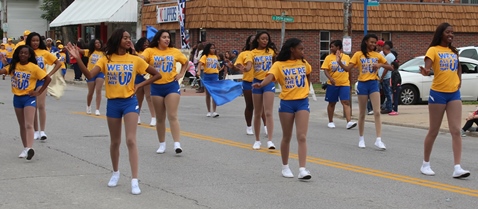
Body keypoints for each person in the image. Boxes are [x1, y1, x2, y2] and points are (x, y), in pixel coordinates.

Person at [66, 28, 161, 195]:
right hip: (113, 104)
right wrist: (78, 58)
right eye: (124, 37)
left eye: (128, 38)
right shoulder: (106, 59)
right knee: (115, 142)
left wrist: (139, 85)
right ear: (117, 39)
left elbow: (156, 74)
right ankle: (116, 172)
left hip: (130, 102)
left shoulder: (135, 60)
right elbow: (89, 75)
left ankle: (134, 180)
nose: (127, 40)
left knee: (131, 140)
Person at [252, 38, 312, 180]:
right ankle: (285, 166)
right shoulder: (279, 65)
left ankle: (302, 169)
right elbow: (270, 77)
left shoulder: (303, 63)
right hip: (287, 104)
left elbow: (308, 73)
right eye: (300, 49)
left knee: (302, 136)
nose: (303, 52)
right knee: (287, 136)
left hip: (302, 102)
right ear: (292, 49)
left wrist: (307, 88)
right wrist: (261, 84)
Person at [418, 22, 470, 178]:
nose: (451, 35)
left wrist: (458, 81)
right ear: (441, 33)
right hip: (438, 94)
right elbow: (427, 68)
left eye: (452, 33)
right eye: (448, 32)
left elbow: (458, 68)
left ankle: (457, 167)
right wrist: (426, 72)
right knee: (434, 131)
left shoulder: (453, 51)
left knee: (456, 130)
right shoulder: (433, 50)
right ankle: (425, 164)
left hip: (453, 94)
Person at [337, 34, 392, 150]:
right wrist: (339, 62)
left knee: (377, 112)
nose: (373, 44)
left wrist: (380, 64)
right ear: (366, 42)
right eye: (371, 42)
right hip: (362, 84)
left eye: (375, 43)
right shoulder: (358, 54)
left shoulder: (377, 55)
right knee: (362, 113)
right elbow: (348, 69)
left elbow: (391, 67)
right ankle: (361, 138)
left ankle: (378, 139)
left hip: (373, 83)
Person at [141, 30, 189, 154]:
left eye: (168, 37)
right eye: (164, 37)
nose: (167, 39)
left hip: (171, 85)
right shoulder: (150, 51)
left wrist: (181, 74)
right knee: (160, 118)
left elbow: (185, 62)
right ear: (158, 39)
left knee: (172, 115)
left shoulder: (174, 51)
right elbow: (141, 60)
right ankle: (162, 144)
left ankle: (177, 143)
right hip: (156, 87)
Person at [0, 45, 51, 160]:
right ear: (17, 54)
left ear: (29, 55)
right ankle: (25, 148)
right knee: (22, 125)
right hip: (17, 98)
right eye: (21, 53)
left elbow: (47, 78)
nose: (23, 55)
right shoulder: (13, 66)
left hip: (29, 98)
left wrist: (39, 92)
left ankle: (29, 148)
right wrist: (2, 63)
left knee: (29, 124)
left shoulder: (34, 67)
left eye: (25, 53)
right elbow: (2, 71)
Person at [25, 32, 63, 141]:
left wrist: (49, 75)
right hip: (30, 82)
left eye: (37, 40)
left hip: (42, 81)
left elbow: (58, 63)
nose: (35, 43)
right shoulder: (26, 52)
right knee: (34, 106)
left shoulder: (44, 53)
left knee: (41, 105)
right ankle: (36, 131)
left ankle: (42, 131)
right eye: (33, 40)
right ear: (29, 41)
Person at [234, 35, 267, 135]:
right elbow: (237, 66)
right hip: (248, 82)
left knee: (262, 106)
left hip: (261, 81)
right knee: (250, 105)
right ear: (249, 42)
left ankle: (266, 126)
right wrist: (237, 67)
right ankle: (249, 126)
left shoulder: (265, 52)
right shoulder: (244, 54)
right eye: (252, 41)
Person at [249, 31, 276, 150]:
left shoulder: (271, 52)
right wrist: (244, 68)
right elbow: (249, 66)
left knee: (269, 112)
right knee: (258, 112)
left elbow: (276, 65)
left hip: (269, 82)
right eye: (263, 39)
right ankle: (257, 140)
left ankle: (270, 140)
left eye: (267, 39)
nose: (265, 41)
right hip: (256, 82)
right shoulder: (252, 53)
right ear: (258, 40)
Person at [321, 40, 357, 130]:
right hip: (332, 84)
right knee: (332, 103)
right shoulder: (328, 58)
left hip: (344, 84)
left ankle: (349, 121)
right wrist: (330, 78)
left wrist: (350, 82)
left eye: (332, 46)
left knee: (346, 102)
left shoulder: (346, 57)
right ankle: (330, 121)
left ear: (338, 47)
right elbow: (325, 69)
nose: (331, 48)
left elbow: (349, 70)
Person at [133, 37, 156, 126]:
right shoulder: (136, 53)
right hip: (138, 76)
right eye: (144, 43)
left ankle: (153, 117)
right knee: (138, 98)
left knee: (149, 97)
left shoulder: (150, 53)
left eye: (147, 43)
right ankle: (137, 116)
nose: (146, 44)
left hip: (147, 76)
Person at [198, 43, 221, 117]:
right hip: (207, 75)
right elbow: (200, 64)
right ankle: (208, 111)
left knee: (214, 93)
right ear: (208, 49)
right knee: (208, 94)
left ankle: (214, 111)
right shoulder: (205, 56)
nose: (213, 50)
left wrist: (220, 67)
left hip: (215, 75)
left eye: (214, 48)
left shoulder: (215, 57)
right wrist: (198, 71)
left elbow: (218, 66)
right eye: (211, 48)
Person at [85, 38, 105, 116]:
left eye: (99, 43)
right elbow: (80, 51)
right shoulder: (90, 52)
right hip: (90, 73)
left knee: (98, 90)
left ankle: (97, 109)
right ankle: (88, 106)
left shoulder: (104, 53)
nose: (98, 44)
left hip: (100, 72)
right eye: (96, 43)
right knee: (91, 92)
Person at [378, 42, 396, 114]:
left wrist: (382, 77)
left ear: (385, 49)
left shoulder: (389, 57)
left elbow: (387, 68)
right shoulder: (391, 56)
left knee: (387, 93)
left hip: (386, 77)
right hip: (386, 77)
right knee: (386, 93)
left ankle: (389, 108)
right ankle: (387, 106)